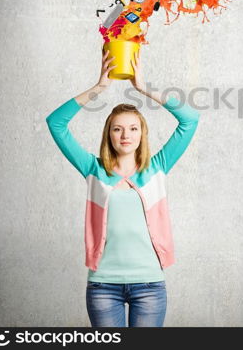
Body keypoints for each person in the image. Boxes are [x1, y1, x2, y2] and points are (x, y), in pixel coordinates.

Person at [45, 48, 200, 327]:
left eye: (133, 128)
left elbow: (190, 120)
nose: (125, 135)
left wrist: (143, 88)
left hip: (150, 285)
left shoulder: (157, 167)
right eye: (117, 129)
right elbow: (55, 123)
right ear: (109, 135)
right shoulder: (93, 169)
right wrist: (99, 87)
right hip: (103, 286)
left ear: (142, 134)